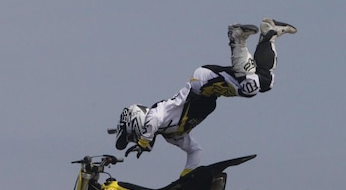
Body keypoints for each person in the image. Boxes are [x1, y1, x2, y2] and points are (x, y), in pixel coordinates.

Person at [113, 18, 297, 174]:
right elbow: (195, 150)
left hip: (202, 83)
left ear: (133, 121)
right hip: (210, 92)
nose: (133, 141)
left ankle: (237, 38)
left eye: (131, 137)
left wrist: (144, 140)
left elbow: (153, 118)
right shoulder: (172, 135)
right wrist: (187, 175)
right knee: (265, 81)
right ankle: (269, 32)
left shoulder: (157, 112)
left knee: (249, 86)